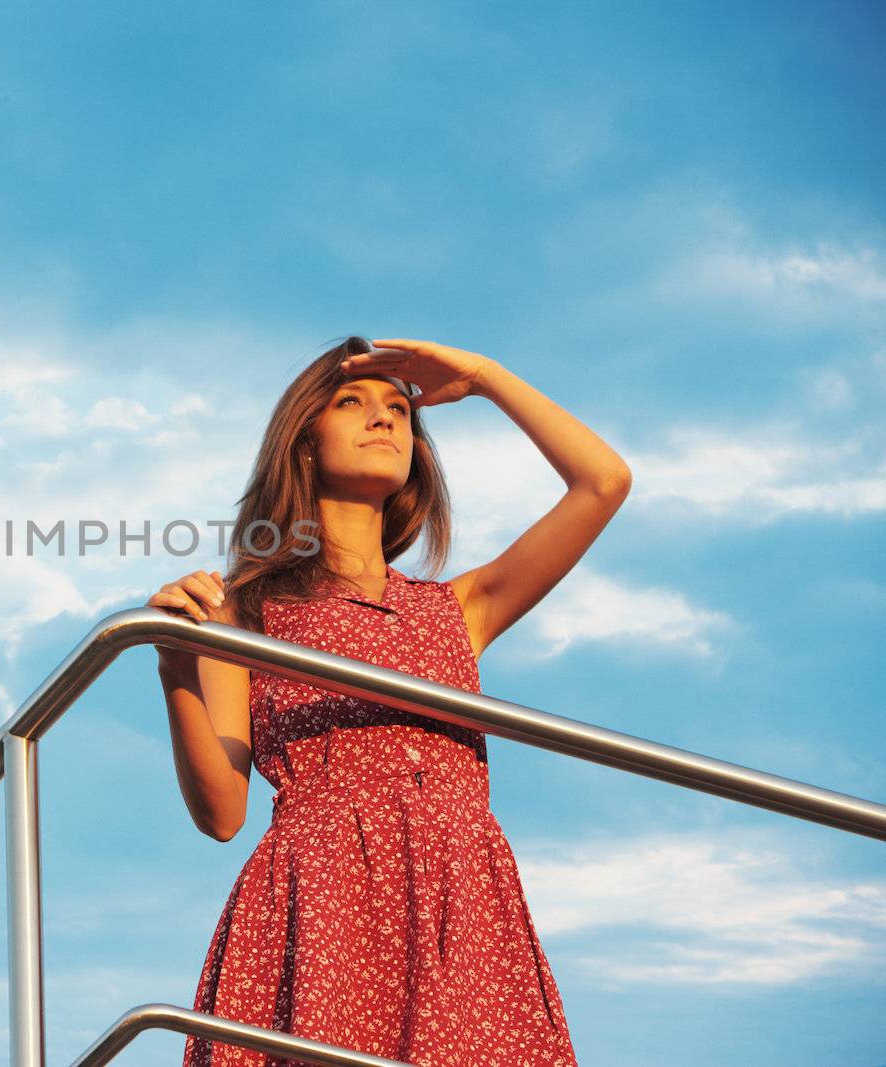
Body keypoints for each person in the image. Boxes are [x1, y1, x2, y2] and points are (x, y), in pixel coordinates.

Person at [148, 335, 631, 1067]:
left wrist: (483, 377)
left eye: (400, 409)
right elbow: (222, 812)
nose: (384, 419)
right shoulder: (245, 612)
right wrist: (175, 665)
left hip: (463, 907)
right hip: (323, 902)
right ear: (303, 444)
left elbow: (604, 481)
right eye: (352, 402)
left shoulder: (460, 608)